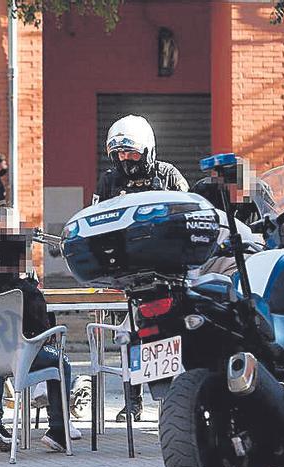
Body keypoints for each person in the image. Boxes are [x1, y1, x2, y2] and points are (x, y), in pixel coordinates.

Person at [0, 206, 80, 452]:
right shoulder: (24, 277)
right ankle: (58, 430)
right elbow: (41, 323)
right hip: (16, 351)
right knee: (59, 361)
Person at [96, 114, 188, 422]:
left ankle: (171, 403)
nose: (125, 159)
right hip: (126, 273)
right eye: (120, 153)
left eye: (131, 152)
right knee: (130, 337)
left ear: (147, 150)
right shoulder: (109, 180)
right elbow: (95, 223)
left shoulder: (168, 175)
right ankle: (133, 401)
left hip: (166, 272)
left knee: (167, 337)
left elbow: (187, 216)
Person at [95, 115, 189, 202]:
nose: (127, 158)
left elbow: (188, 207)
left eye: (133, 153)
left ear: (146, 153)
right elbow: (96, 214)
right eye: (122, 153)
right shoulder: (108, 180)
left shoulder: (167, 173)